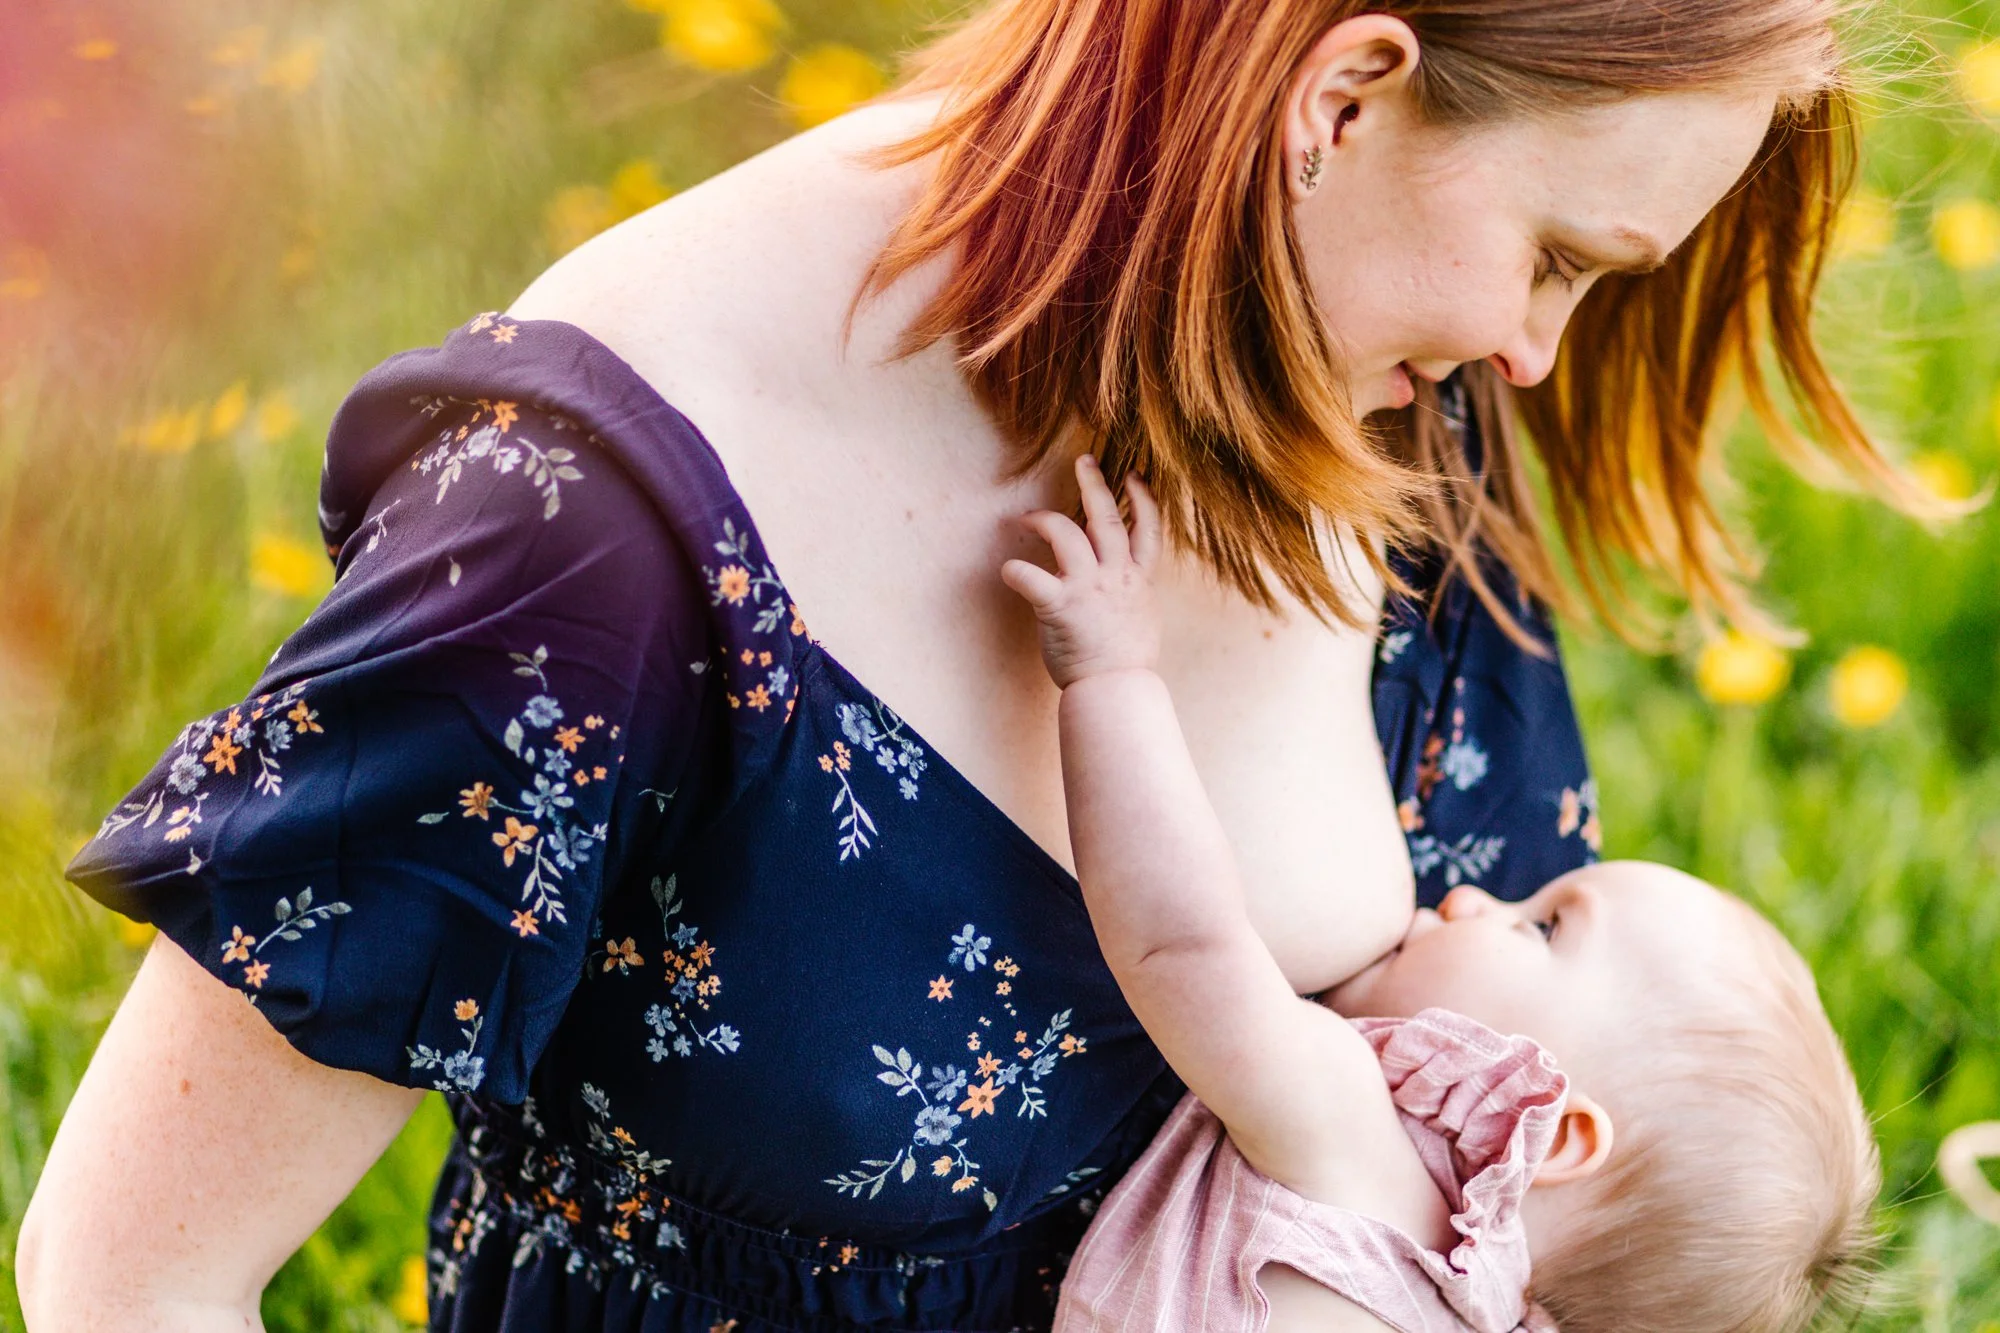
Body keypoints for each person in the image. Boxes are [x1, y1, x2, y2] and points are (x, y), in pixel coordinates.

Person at [18, 1, 1912, 1329]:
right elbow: (127, 1280)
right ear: (1341, 97)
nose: (1540, 357)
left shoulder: (1363, 359)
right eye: (1567, 261)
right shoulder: (584, 543)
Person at [1008, 455, 1877, 1333]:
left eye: (1539, 926)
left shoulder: (1347, 1141)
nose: (1471, 898)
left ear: (1555, 1134)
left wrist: (1113, 675)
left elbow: (1179, 940)